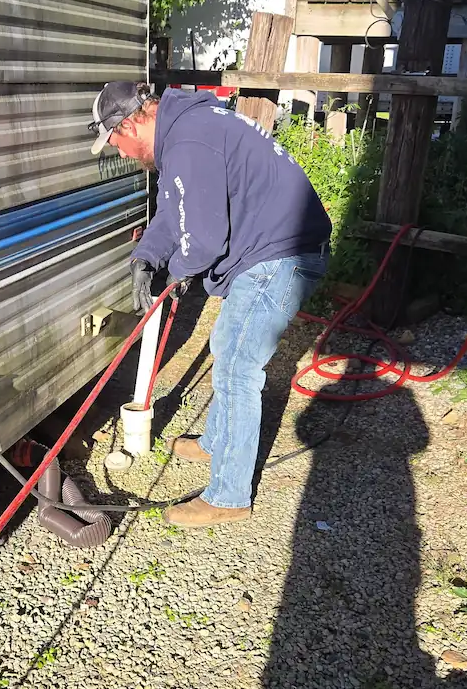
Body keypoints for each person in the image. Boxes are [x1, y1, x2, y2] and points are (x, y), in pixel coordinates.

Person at [88, 80, 331, 528]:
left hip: (282, 252)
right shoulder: (184, 131)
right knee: (229, 345)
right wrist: (147, 257)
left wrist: (179, 271)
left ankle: (229, 495)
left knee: (239, 367)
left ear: (132, 121)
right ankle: (217, 441)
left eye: (116, 141)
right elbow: (171, 211)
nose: (120, 153)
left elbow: (202, 238)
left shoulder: (190, 139)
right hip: (270, 246)